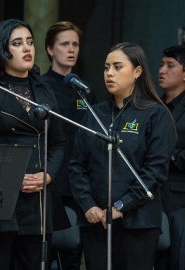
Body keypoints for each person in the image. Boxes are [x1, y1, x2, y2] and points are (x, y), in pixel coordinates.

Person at [0, 18, 65, 270]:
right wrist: (9, 177)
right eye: (18, 43)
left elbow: (58, 142)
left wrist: (49, 175)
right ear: (2, 49)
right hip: (1, 194)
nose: (27, 49)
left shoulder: (44, 88)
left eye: (30, 42)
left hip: (38, 197)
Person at [69, 42, 176, 270]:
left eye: (118, 67)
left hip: (137, 224)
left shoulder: (155, 114)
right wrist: (88, 205)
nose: (109, 73)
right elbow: (77, 165)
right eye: (107, 67)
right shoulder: (94, 113)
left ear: (137, 71)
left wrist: (119, 206)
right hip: (95, 220)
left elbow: (154, 171)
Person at [42, 21, 97, 269]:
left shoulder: (85, 91)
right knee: (45, 251)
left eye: (75, 44)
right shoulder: (40, 87)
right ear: (50, 49)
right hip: (49, 179)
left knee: (74, 253)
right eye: (65, 44)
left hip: (79, 182)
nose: (71, 49)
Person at [154, 45, 185, 270]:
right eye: (161, 65)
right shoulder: (152, 105)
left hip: (179, 200)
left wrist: (166, 157)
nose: (162, 70)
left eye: (170, 66)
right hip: (150, 198)